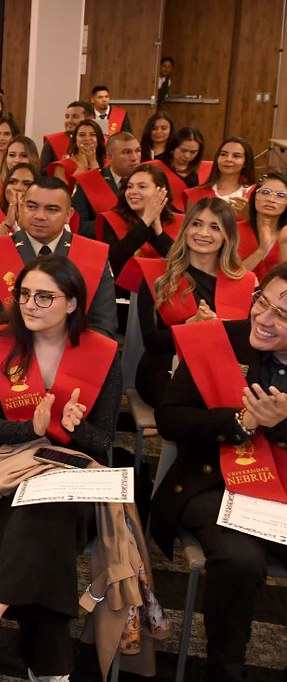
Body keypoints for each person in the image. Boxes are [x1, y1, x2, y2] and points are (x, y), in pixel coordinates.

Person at [0, 255, 121, 678]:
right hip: (9, 471)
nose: (31, 304)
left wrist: (73, 428)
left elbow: (106, 441)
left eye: (45, 297)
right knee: (49, 532)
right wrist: (31, 427)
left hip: (73, 473)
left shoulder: (102, 354)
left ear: (72, 303)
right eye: (25, 294)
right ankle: (51, 669)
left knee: (46, 518)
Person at [153, 264, 287, 682]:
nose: (263, 318)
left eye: (282, 315)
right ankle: (225, 670)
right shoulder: (218, 340)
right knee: (240, 560)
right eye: (262, 301)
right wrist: (243, 421)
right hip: (215, 482)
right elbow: (171, 419)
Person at [117, 197, 255, 408]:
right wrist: (190, 326)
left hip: (218, 368)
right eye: (196, 224)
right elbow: (152, 343)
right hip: (165, 369)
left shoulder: (244, 282)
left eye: (215, 227)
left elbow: (248, 342)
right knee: (202, 402)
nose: (203, 233)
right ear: (186, 228)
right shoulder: (157, 276)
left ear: (228, 236)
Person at [0, 176, 118, 348]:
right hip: (4, 361)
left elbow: (103, 324)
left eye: (52, 209)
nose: (40, 216)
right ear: (20, 208)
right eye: (31, 206)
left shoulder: (93, 255)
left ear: (68, 215)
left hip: (72, 364)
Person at [96, 163, 177, 276]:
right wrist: (146, 221)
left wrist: (158, 229)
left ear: (161, 191)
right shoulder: (111, 219)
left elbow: (180, 264)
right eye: (129, 186)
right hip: (124, 291)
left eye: (142, 186)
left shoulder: (177, 221)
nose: (133, 191)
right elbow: (112, 263)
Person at [70, 129, 141, 238]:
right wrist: (116, 224)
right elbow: (78, 226)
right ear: (109, 157)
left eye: (138, 151)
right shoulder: (90, 182)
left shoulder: (149, 181)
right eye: (127, 152)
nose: (135, 158)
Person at [185, 137, 255, 212]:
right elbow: (189, 222)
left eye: (236, 156)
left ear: (245, 162)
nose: (228, 159)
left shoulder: (254, 193)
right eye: (223, 154)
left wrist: (247, 214)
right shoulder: (197, 193)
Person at [239, 172, 287, 278]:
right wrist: (262, 250)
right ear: (254, 196)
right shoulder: (233, 230)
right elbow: (229, 275)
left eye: (281, 195)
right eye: (265, 192)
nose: (271, 200)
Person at [154, 126, 206, 209]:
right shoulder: (158, 166)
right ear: (173, 147)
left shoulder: (203, 170)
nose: (187, 156)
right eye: (183, 150)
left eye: (193, 152)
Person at [39, 101, 90, 169]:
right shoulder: (52, 141)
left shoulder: (98, 141)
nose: (69, 121)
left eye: (75, 117)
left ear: (88, 119)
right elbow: (43, 171)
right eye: (67, 116)